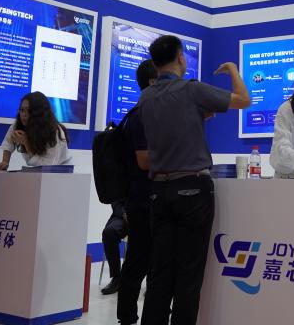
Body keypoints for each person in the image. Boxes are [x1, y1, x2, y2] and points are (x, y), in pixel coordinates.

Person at [139, 35, 250, 325]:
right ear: (180, 57)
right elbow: (244, 99)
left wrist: (196, 118)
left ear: (155, 63)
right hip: (192, 191)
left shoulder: (145, 97)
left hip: (159, 191)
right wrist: (233, 70)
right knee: (188, 277)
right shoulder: (192, 90)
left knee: (160, 275)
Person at [116, 58, 158, 325]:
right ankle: (128, 316)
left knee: (146, 261)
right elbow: (144, 161)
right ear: (153, 82)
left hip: (144, 198)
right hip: (143, 200)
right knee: (138, 261)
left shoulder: (141, 114)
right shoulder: (142, 116)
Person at [0, 91, 70, 171]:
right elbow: (9, 142)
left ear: (39, 113)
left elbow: (47, 167)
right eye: (22, 110)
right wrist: (5, 162)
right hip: (38, 171)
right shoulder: (19, 124)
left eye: (29, 111)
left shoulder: (54, 131)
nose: (24, 114)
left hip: (60, 172)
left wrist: (26, 143)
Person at [101, 202, 127, 295]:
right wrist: (124, 213)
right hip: (123, 216)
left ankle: (152, 281)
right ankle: (116, 278)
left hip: (147, 214)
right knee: (109, 232)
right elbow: (116, 200)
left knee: (155, 233)